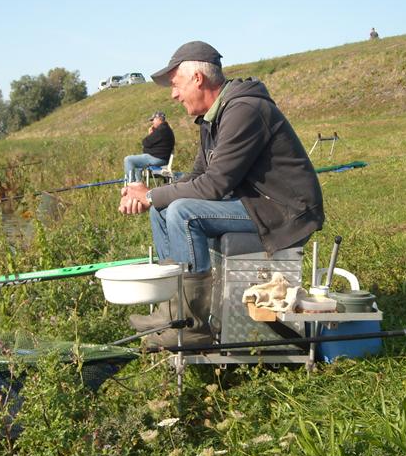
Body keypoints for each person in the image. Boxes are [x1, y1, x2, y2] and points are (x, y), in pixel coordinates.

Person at [118, 41, 324, 346]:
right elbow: (198, 175)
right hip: (253, 203)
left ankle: (193, 325)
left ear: (197, 79)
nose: (174, 94)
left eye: (175, 84)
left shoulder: (244, 110)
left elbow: (215, 185)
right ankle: (172, 311)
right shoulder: (214, 118)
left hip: (285, 211)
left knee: (182, 213)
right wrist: (153, 197)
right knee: (163, 210)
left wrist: (149, 196)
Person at [123, 111, 175, 183]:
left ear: (158, 119)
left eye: (153, 120)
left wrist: (150, 134)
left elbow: (145, 142)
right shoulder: (167, 129)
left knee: (128, 159)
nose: (152, 122)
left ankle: (132, 184)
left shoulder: (161, 130)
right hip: (162, 158)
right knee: (137, 165)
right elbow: (149, 144)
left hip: (157, 159)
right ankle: (138, 184)